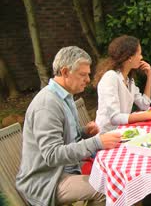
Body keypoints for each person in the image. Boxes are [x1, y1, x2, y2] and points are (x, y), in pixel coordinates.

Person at [16, 46, 121, 206]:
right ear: (65, 72)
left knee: (118, 178)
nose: (87, 79)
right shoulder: (47, 104)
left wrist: (83, 132)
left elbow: (63, 137)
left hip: (63, 171)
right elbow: (52, 154)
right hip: (46, 181)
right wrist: (97, 142)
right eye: (83, 75)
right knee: (108, 188)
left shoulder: (64, 96)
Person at [93, 35, 151, 132]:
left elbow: (144, 105)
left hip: (123, 132)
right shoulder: (111, 77)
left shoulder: (128, 80)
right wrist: (148, 115)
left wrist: (149, 77)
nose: (141, 57)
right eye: (139, 54)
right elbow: (115, 118)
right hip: (106, 136)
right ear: (130, 57)